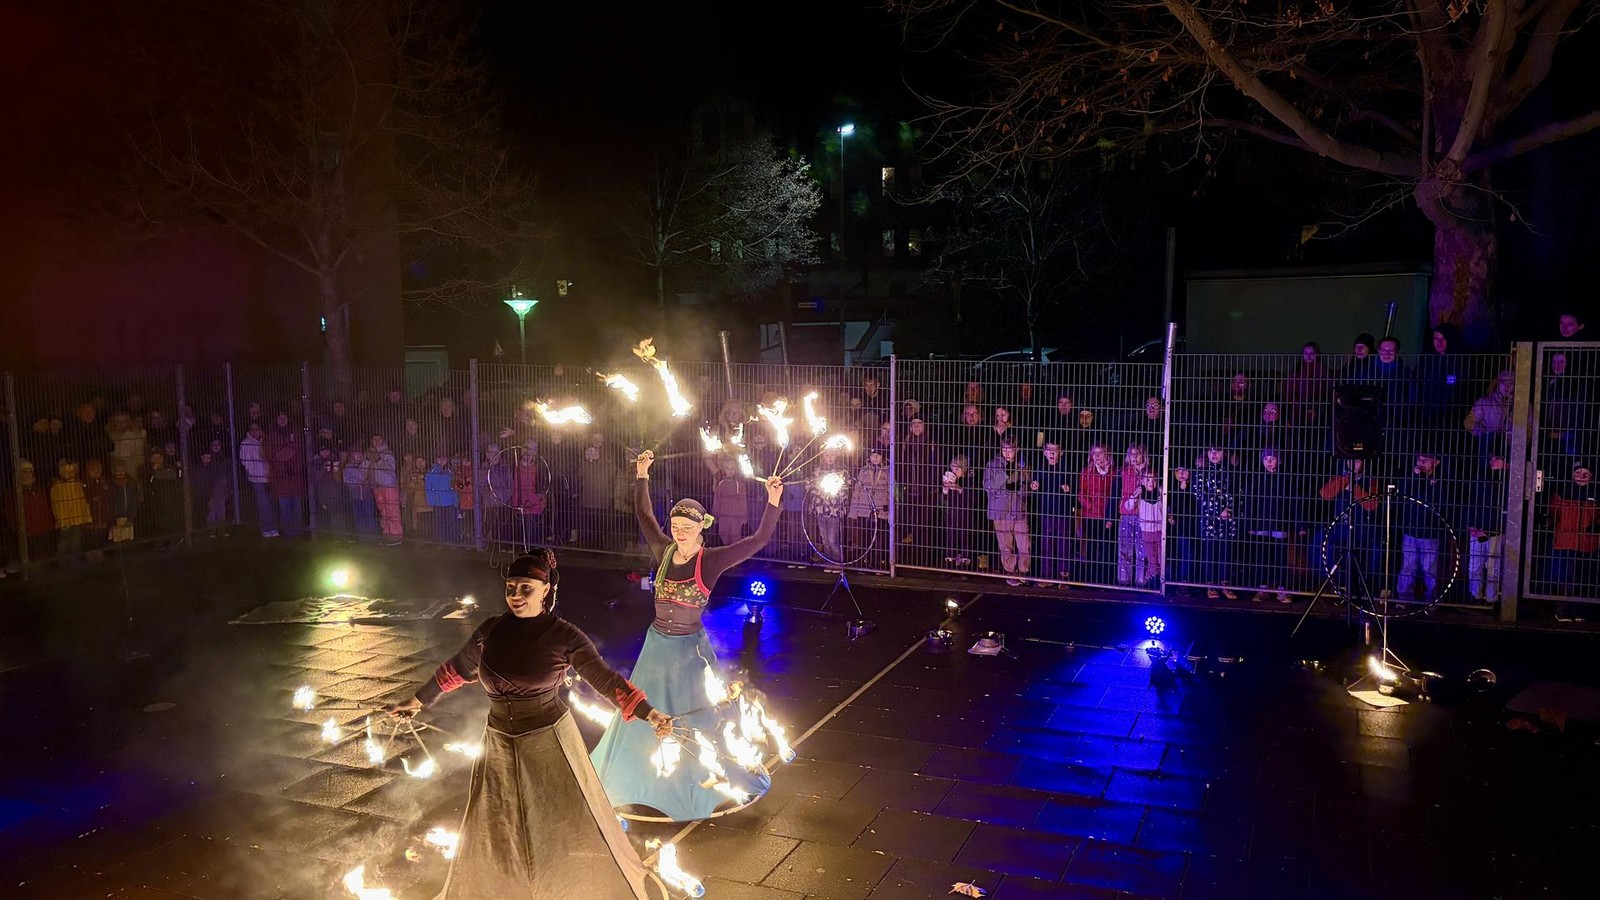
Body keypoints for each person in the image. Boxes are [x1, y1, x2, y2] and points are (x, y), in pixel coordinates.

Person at [386, 550, 673, 899]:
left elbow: (604, 679)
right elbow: (457, 669)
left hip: (547, 741)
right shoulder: (491, 631)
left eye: (526, 588)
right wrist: (417, 701)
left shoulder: (563, 635)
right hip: (499, 742)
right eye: (511, 588)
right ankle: (511, 883)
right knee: (501, 818)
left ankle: (560, 885)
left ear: (545, 590)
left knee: (552, 820)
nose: (516, 596)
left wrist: (648, 713)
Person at [589, 451, 783, 821]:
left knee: (697, 717)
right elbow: (644, 514)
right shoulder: (664, 551)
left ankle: (698, 780)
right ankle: (638, 777)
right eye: (676, 525)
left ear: (700, 528)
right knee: (643, 711)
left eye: (686, 526)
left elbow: (758, 539)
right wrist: (642, 474)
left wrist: (773, 501)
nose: (679, 531)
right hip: (656, 648)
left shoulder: (711, 560)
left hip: (690, 651)